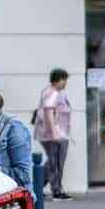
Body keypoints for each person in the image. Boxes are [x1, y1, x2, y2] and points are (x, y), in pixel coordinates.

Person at [33, 67, 73, 198]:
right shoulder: (53, 93)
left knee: (52, 162)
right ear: (58, 80)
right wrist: (55, 133)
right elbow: (48, 112)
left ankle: (37, 187)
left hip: (54, 134)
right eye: (64, 79)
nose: (66, 83)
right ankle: (57, 191)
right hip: (55, 135)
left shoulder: (51, 92)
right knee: (56, 162)